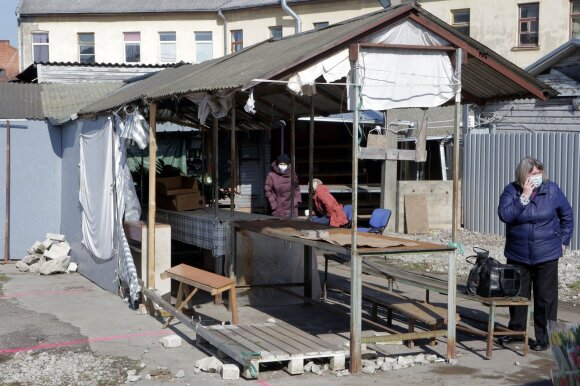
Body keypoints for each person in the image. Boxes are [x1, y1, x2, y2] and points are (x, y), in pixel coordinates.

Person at [497, 156, 573, 351]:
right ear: (523, 175)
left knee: (545, 299)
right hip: (518, 253)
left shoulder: (552, 190)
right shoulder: (511, 191)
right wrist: (523, 196)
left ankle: (545, 338)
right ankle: (515, 333)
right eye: (533, 174)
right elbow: (505, 215)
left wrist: (563, 240)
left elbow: (567, 215)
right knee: (517, 296)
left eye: (539, 173)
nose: (537, 177)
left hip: (546, 253)